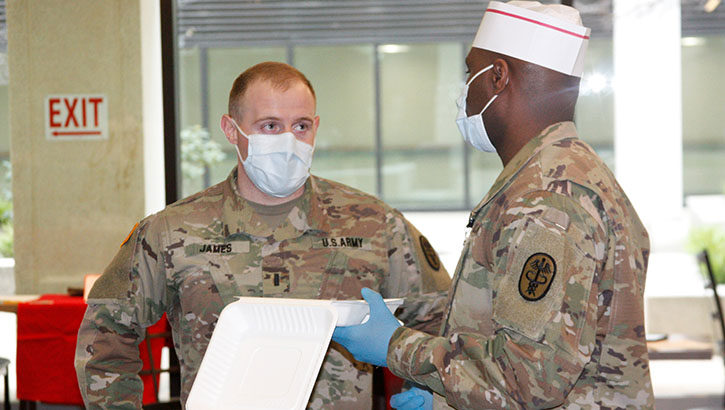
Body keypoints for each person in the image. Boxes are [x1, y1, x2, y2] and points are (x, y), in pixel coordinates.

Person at [75, 61, 451, 409]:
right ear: (231, 130)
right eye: (270, 126)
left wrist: (426, 388)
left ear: (315, 127)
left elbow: (441, 318)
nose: (288, 139)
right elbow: (106, 333)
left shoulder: (374, 224)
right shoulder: (172, 230)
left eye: (300, 126)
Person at [333, 1, 654, 409]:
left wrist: (395, 346)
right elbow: (508, 320)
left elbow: (528, 379)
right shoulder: (560, 173)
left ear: (498, 76)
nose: (465, 90)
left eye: (471, 73)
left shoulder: (549, 198)